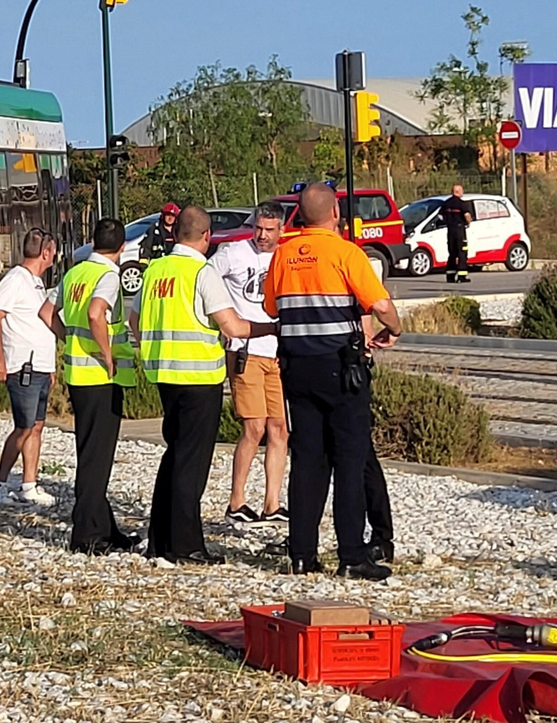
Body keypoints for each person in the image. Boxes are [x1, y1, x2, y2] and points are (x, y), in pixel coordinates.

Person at [264, 183, 403, 581]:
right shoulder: (346, 253)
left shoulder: (283, 254)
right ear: (335, 214)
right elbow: (379, 304)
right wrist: (394, 329)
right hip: (341, 369)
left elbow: (270, 307)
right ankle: (352, 555)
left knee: (307, 462)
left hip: (296, 369)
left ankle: (302, 554)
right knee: (349, 460)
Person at [137, 207, 275, 565]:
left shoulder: (155, 270)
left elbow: (135, 317)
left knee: (173, 454)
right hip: (199, 377)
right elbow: (233, 327)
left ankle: (160, 540)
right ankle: (186, 545)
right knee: (192, 464)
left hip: (163, 372)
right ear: (206, 236)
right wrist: (274, 327)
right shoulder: (202, 272)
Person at [58, 218, 139, 554]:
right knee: (97, 458)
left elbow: (48, 312)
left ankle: (106, 527)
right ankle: (87, 534)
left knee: (90, 452)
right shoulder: (108, 276)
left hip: (78, 374)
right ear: (122, 247)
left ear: (92, 242)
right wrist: (107, 354)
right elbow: (96, 314)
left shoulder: (75, 273)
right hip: (101, 376)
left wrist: (68, 339)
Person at [208, 200, 289, 526]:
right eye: (258, 228)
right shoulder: (233, 253)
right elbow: (205, 280)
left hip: (278, 353)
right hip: (246, 350)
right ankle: (237, 500)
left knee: (279, 428)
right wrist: (225, 323)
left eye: (269, 229)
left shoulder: (285, 256)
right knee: (254, 427)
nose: (262, 235)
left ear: (281, 229)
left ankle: (272, 503)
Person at [0, 228, 66, 507]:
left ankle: (29, 484)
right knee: (23, 427)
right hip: (23, 367)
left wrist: (50, 366)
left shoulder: (37, 283)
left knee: (37, 426)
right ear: (46, 253)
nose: (54, 256)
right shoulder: (16, 279)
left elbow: (40, 323)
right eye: (53, 251)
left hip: (40, 367)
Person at [440, 184, 473, 284]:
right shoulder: (462, 204)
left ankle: (450, 276)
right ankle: (462, 276)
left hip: (450, 231)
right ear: (458, 192)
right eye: (462, 191)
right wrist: (468, 222)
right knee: (462, 253)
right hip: (460, 231)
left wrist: (447, 221)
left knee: (452, 253)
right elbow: (467, 215)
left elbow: (440, 216)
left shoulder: (446, 203)